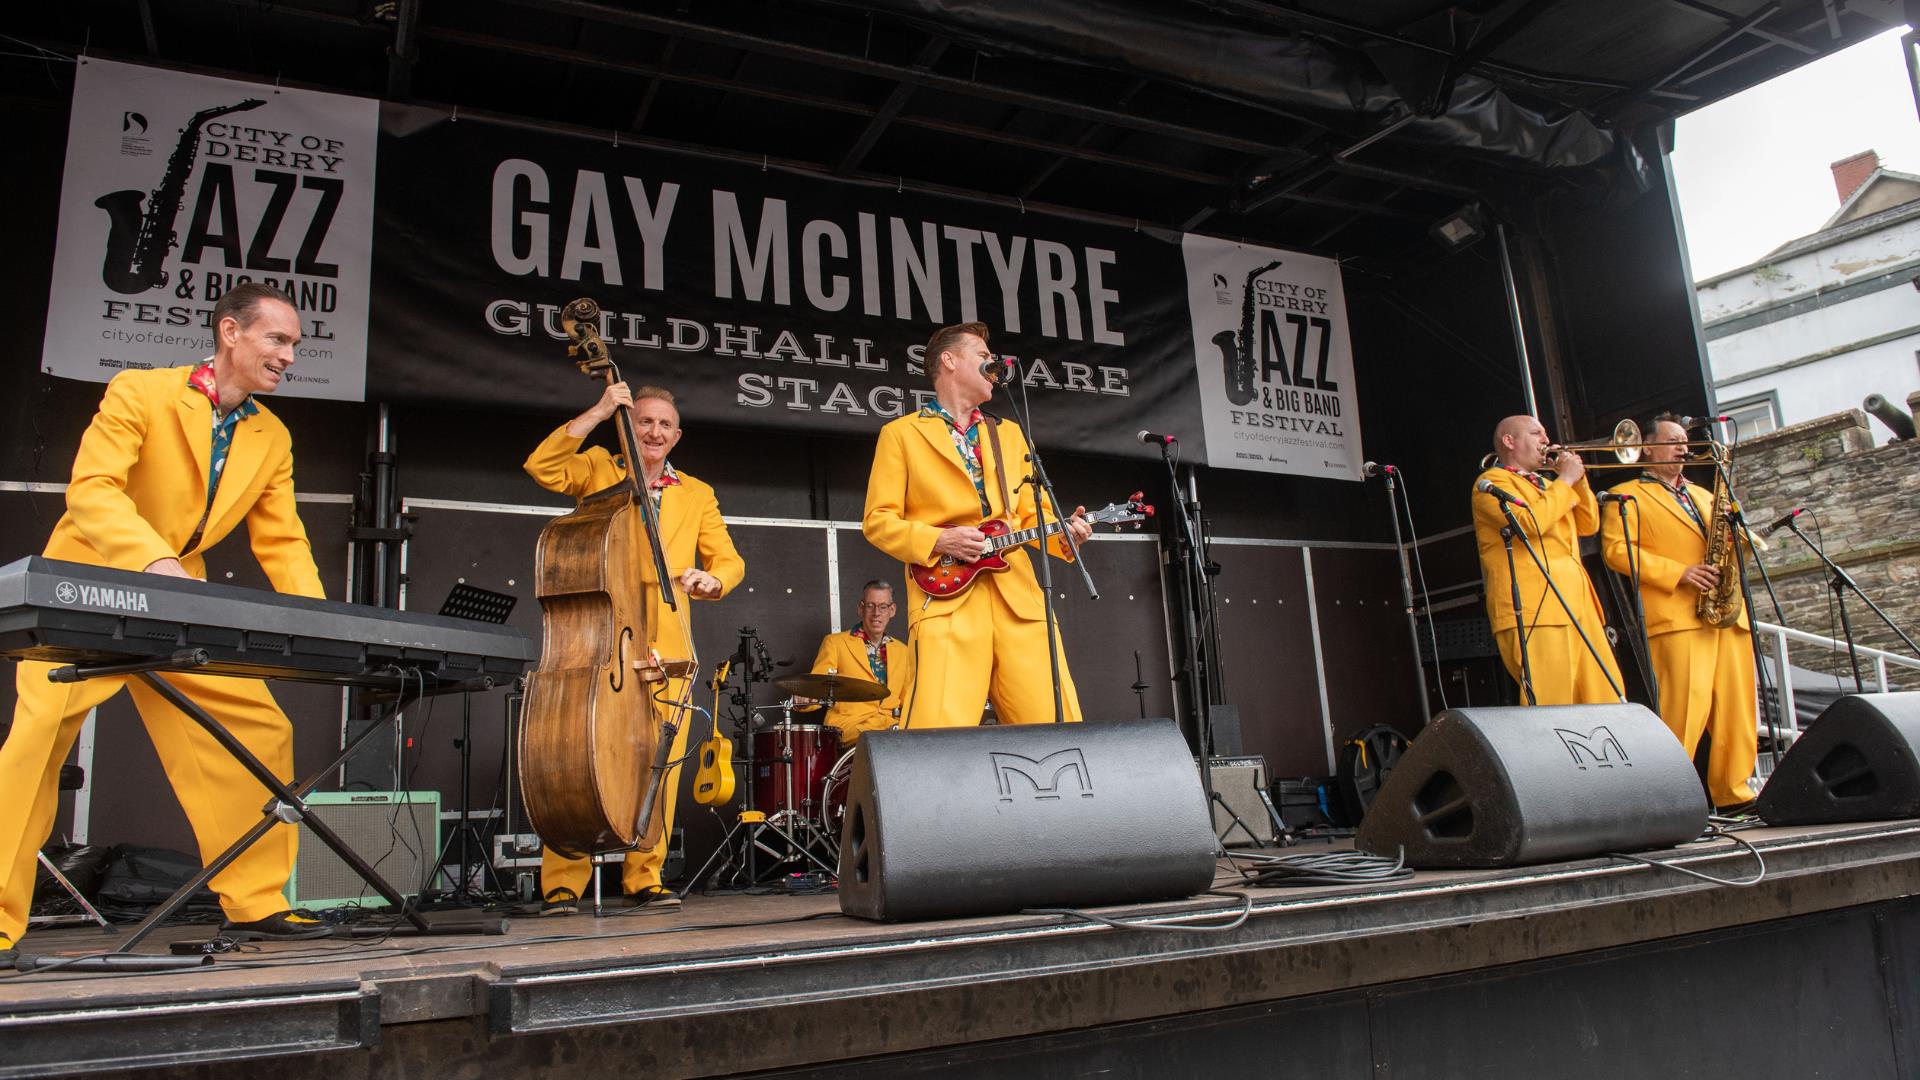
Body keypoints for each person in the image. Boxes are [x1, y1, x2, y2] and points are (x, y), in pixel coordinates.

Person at [0, 283, 328, 955]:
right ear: (230, 333)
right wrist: (151, 559)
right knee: (36, 744)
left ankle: (256, 900)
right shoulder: (140, 392)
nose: (289, 355)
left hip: (180, 601)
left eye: (295, 344)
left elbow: (283, 541)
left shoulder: (272, 435)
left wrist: (322, 622)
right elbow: (92, 490)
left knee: (260, 726)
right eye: (278, 339)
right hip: (86, 585)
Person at [524, 382, 744, 912]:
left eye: (665, 424)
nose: (655, 432)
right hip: (604, 642)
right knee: (578, 756)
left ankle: (644, 873)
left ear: (677, 436)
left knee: (660, 763)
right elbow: (543, 467)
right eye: (644, 421)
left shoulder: (697, 493)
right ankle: (563, 878)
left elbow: (730, 561)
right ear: (628, 425)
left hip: (668, 642)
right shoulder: (600, 468)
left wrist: (714, 582)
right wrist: (598, 411)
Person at [863, 321, 1092, 728]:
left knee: (1057, 727)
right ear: (948, 361)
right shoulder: (900, 434)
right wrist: (939, 538)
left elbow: (1032, 512)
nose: (993, 363)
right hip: (947, 598)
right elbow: (878, 522)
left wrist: (1065, 533)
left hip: (1019, 600)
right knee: (938, 736)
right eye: (983, 356)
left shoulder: (1011, 434)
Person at [1600, 414, 1757, 812]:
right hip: (1677, 615)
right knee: (1684, 710)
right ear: (1647, 448)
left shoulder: (1706, 496)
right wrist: (1679, 572)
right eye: (1673, 441)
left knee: (1738, 710)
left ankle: (1733, 792)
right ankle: (1671, 800)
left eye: (1685, 441)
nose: (1683, 447)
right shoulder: (1625, 494)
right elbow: (1617, 552)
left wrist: (1740, 535)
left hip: (1724, 613)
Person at [1472, 414, 1624, 706]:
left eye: (1545, 433)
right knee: (1552, 707)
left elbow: (1588, 525)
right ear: (1509, 441)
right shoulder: (1491, 482)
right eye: (1536, 433)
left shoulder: (1546, 484)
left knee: (1607, 703)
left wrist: (1576, 482)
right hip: (1535, 610)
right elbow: (1529, 524)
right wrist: (1565, 479)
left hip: (1578, 607)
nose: (1546, 440)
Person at [804, 580, 915, 742]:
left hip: (892, 728)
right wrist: (803, 699)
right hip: (851, 728)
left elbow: (908, 701)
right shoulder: (835, 643)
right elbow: (816, 690)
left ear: (892, 610)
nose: (876, 613)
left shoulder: (903, 651)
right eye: (870, 606)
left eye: (883, 607)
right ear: (860, 609)